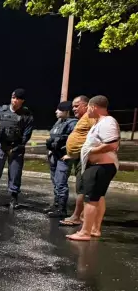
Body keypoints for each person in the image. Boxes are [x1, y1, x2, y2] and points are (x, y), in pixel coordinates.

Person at [67, 95, 120, 241]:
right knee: (97, 197)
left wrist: (91, 151)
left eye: (89, 108)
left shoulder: (107, 122)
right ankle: (94, 229)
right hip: (97, 166)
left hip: (100, 166)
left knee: (90, 199)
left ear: (93, 107)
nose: (88, 112)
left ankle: (85, 232)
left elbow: (112, 144)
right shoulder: (100, 122)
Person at [0, 88, 34, 209]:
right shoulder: (2, 111)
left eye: (17, 98)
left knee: (15, 174)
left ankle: (14, 200)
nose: (14, 100)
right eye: (13, 98)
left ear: (22, 101)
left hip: (16, 148)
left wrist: (20, 145)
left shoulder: (27, 115)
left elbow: (27, 133)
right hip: (0, 146)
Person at [59, 95, 92, 227]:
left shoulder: (91, 118)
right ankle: (82, 215)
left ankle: (77, 216)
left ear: (86, 105)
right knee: (81, 187)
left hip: (85, 159)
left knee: (82, 188)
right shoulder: (82, 119)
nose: (73, 109)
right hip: (78, 157)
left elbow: (94, 137)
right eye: (73, 106)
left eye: (77, 106)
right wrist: (72, 153)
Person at [44, 100, 77, 217]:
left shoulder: (73, 124)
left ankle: (62, 209)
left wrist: (70, 154)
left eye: (59, 109)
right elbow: (54, 137)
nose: (56, 111)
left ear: (66, 111)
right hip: (54, 155)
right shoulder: (59, 122)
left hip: (63, 157)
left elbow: (75, 141)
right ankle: (57, 204)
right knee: (55, 181)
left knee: (61, 182)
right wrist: (50, 150)